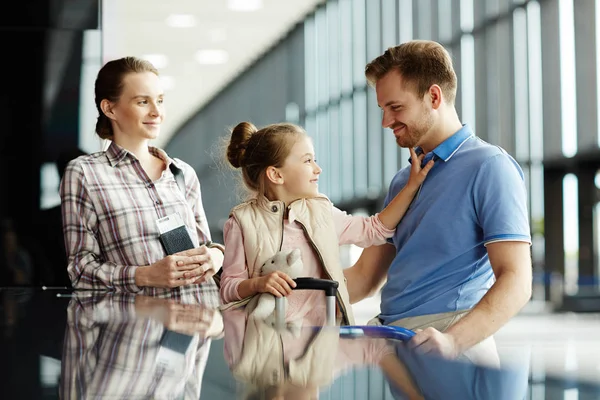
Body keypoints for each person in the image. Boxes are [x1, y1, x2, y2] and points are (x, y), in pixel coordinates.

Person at [344, 40, 532, 363]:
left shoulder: (490, 167)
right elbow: (363, 276)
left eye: (396, 108)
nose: (385, 122)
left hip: (449, 348)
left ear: (433, 97)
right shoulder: (403, 182)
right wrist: (291, 294)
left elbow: (517, 280)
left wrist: (452, 342)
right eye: (383, 110)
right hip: (395, 344)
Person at [219, 121, 433, 324]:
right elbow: (228, 287)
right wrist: (257, 284)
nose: (317, 169)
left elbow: (374, 229)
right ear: (276, 174)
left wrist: (411, 187)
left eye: (315, 160)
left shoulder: (323, 212)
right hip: (263, 347)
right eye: (307, 160)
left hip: (321, 344)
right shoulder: (240, 223)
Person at [60, 57, 224, 305]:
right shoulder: (85, 173)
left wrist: (216, 256)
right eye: (142, 102)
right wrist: (144, 275)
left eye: (159, 100)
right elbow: (81, 270)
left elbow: (204, 245)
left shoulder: (181, 173)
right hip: (132, 334)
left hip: (195, 328)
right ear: (110, 109)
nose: (156, 112)